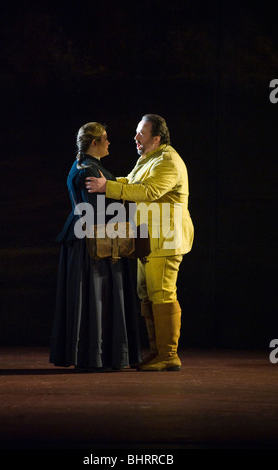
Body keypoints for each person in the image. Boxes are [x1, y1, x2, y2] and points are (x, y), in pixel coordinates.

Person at [85, 114, 194, 371]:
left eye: (141, 134)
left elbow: (148, 192)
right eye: (136, 133)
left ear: (156, 138)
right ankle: (158, 353)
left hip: (166, 240)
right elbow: (132, 182)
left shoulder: (167, 161)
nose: (136, 137)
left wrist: (107, 188)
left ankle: (169, 356)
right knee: (146, 294)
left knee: (163, 293)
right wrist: (109, 182)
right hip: (149, 240)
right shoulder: (149, 158)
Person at [50, 122, 141, 372]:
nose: (109, 142)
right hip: (93, 243)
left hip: (86, 237)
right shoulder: (90, 168)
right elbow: (98, 210)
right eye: (105, 138)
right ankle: (95, 356)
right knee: (95, 295)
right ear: (94, 143)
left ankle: (95, 355)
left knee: (93, 296)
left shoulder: (86, 165)